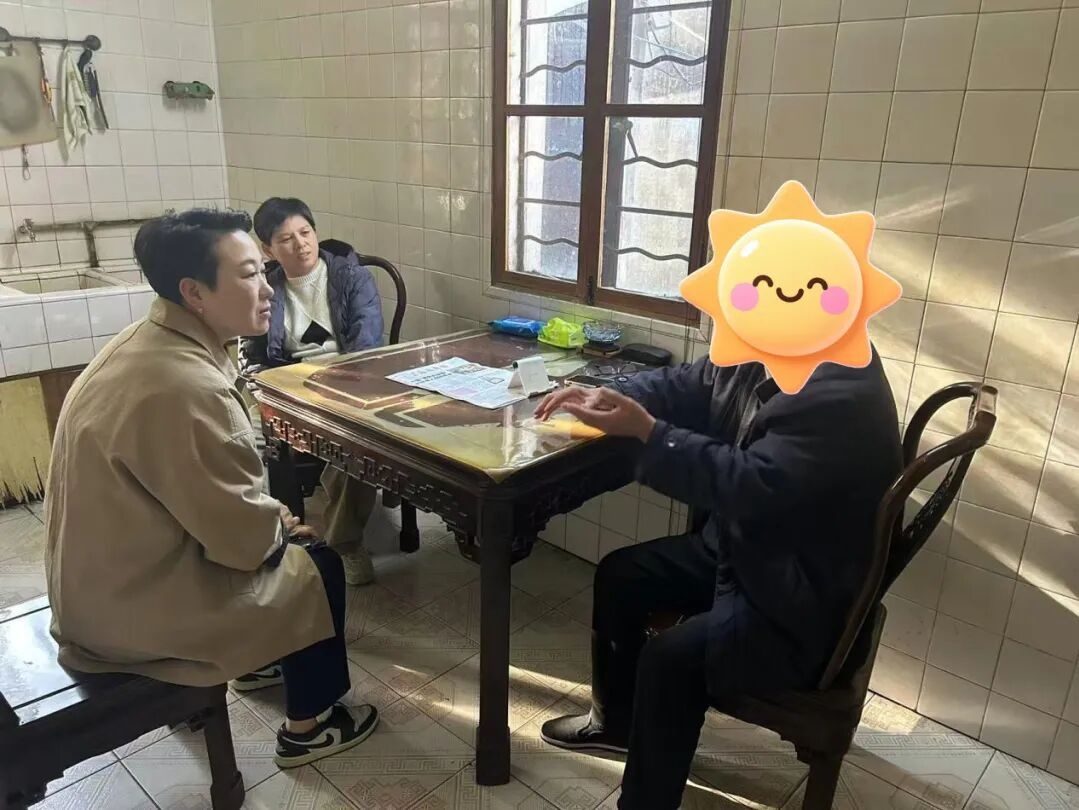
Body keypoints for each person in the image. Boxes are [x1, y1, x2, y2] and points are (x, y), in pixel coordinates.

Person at [44, 209, 378, 768]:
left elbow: (203, 497)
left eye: (262, 270)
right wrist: (279, 526)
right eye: (249, 274)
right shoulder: (187, 386)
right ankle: (311, 725)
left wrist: (266, 518)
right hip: (129, 616)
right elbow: (244, 544)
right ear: (194, 292)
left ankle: (259, 661)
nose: (267, 287)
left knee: (283, 539)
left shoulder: (146, 341)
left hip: (99, 591)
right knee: (315, 561)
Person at [533, 350, 902, 809]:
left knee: (669, 661)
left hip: (798, 591)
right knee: (621, 576)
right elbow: (691, 381)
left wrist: (648, 431)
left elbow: (746, 485)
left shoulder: (840, 390)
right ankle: (617, 726)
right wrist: (609, 396)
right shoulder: (763, 346)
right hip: (752, 547)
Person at [239, 197, 384, 586]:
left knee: (360, 444)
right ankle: (269, 534)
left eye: (305, 232)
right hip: (289, 390)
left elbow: (366, 351)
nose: (300, 244)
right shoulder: (265, 288)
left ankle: (344, 543)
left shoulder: (351, 278)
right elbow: (252, 355)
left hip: (350, 385)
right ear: (268, 250)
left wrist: (327, 388)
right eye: (286, 239)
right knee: (242, 436)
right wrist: (271, 389)